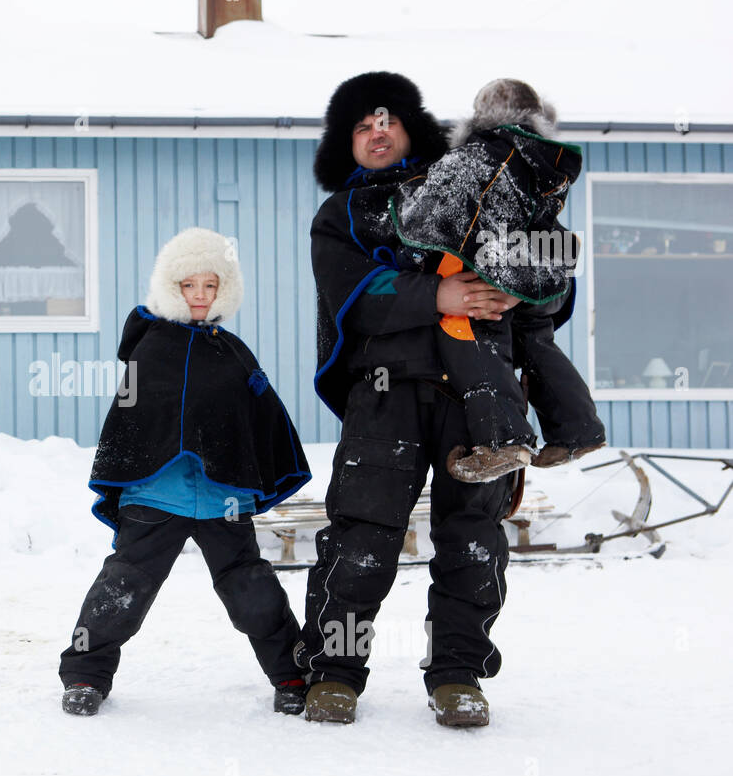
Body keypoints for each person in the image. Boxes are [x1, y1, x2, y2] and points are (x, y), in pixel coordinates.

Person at [302, 71, 538, 727]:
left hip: (475, 397)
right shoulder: (340, 217)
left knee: (473, 539)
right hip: (383, 399)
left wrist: (520, 287)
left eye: (388, 120)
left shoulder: (469, 197)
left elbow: (541, 271)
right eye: (360, 125)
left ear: (412, 130)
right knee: (362, 538)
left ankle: (458, 674)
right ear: (344, 144)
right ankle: (336, 672)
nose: (376, 132)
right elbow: (351, 297)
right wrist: (438, 295)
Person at [58, 227, 312, 716]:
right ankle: (85, 676)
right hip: (155, 495)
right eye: (189, 285)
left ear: (224, 291)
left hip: (223, 498)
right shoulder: (152, 347)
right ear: (171, 287)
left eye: (211, 286)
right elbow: (134, 417)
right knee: (123, 587)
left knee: (252, 589)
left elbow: (259, 413)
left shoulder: (231, 351)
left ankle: (291, 674)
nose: (200, 295)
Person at [391, 78, 606, 481]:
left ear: (480, 116)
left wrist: (409, 232)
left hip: (486, 267)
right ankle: (577, 428)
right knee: (536, 342)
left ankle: (502, 441)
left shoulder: (475, 156)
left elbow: (432, 208)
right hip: (533, 268)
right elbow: (556, 238)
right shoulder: (540, 161)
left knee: (471, 342)